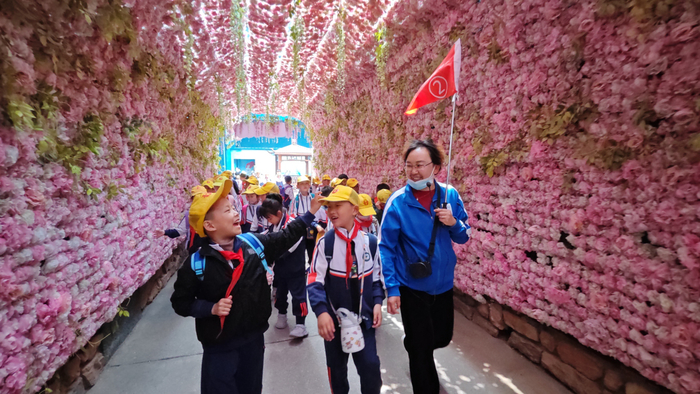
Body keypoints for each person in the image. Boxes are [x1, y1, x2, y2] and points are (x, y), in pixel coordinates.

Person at [171, 178, 323, 394]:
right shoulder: (197, 263)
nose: (235, 213)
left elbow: (286, 237)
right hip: (218, 347)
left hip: (253, 341)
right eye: (227, 211)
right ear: (210, 225)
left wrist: (310, 213)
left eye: (233, 208)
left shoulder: (254, 243)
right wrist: (210, 308)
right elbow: (180, 303)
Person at [378, 139, 470, 394]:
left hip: (442, 285)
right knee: (421, 351)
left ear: (436, 167)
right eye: (409, 165)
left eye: (420, 165)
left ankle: (416, 343)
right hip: (412, 286)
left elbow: (464, 236)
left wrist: (453, 222)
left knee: (441, 338)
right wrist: (392, 289)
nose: (413, 171)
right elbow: (386, 247)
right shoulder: (397, 203)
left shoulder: (449, 195)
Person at [307, 185, 385, 394]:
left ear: (355, 209)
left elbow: (376, 278)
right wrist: (322, 312)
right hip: (334, 323)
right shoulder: (325, 244)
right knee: (337, 370)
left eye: (338, 206)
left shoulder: (370, 242)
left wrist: (377, 302)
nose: (331, 211)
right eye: (329, 207)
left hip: (364, 321)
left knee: (370, 367)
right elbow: (314, 280)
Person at [260, 193, 310, 338]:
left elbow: (290, 247)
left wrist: (273, 253)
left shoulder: (293, 224)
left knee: (298, 295)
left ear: (279, 213)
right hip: (280, 269)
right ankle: (282, 314)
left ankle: (301, 323)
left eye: (270, 218)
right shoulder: (273, 227)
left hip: (295, 268)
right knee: (279, 293)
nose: (268, 221)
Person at [154, 185, 206, 253]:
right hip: (195, 252)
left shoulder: (213, 213)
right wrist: (165, 232)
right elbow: (179, 231)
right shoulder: (189, 214)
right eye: (195, 197)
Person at [291, 176, 318, 263]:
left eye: (306, 183)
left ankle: (311, 265)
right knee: (300, 247)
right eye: (302, 184)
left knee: (311, 246)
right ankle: (301, 266)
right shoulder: (296, 199)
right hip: (301, 226)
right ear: (298, 186)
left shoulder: (313, 197)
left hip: (311, 226)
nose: (305, 186)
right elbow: (293, 213)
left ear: (310, 185)